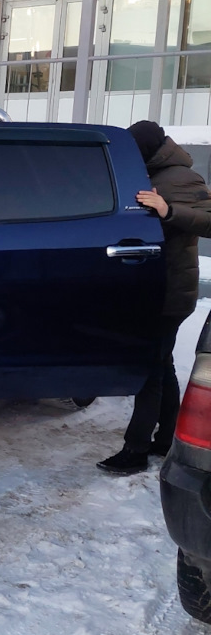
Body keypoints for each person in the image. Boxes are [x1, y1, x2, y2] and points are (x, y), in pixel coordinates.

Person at [98, 121, 211, 474]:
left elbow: (208, 221)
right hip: (153, 286)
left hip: (170, 289)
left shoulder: (183, 177)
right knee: (160, 365)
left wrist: (168, 210)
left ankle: (135, 450)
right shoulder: (143, 172)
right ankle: (165, 440)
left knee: (150, 368)